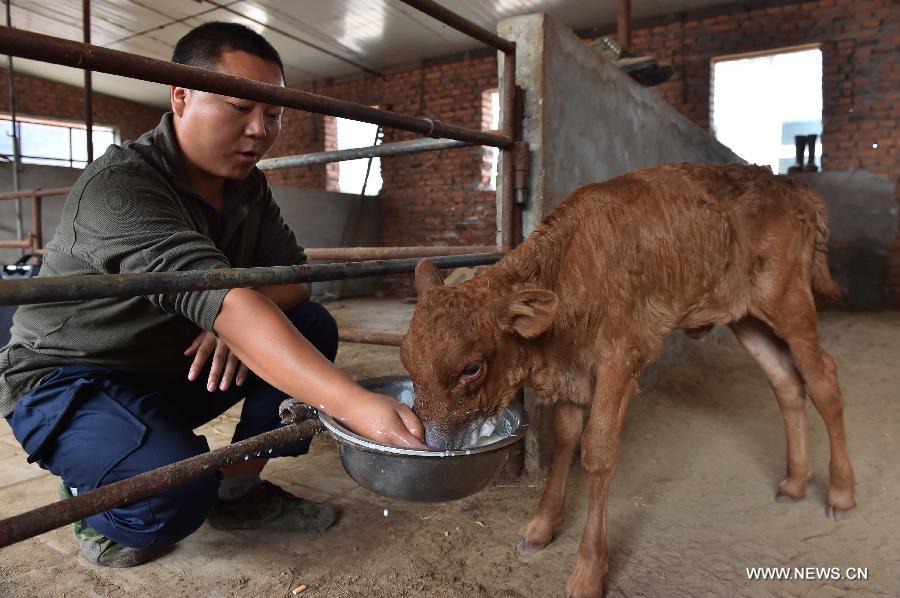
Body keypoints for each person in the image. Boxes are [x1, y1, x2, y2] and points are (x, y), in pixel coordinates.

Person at [0, 22, 425, 567]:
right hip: (69, 379)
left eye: (272, 114)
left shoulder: (249, 187)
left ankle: (237, 493)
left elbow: (294, 276)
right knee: (168, 504)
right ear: (181, 96)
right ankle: (95, 500)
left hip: (167, 365)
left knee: (311, 325)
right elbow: (223, 299)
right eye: (238, 108)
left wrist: (237, 317)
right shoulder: (121, 186)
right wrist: (356, 404)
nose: (260, 130)